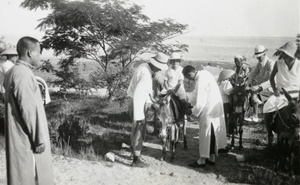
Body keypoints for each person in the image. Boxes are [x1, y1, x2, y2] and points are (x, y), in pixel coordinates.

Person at [4, 36, 54, 185]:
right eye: (39, 53)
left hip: (20, 136)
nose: (40, 57)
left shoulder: (13, 71)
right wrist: (38, 139)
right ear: (30, 53)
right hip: (26, 140)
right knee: (28, 176)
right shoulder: (23, 74)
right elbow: (28, 109)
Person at [127, 52, 168, 167]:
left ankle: (134, 153)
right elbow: (139, 95)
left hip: (136, 102)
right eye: (159, 68)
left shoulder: (144, 67)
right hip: (139, 104)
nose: (159, 70)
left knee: (136, 130)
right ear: (156, 65)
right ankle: (136, 159)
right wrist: (139, 116)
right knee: (139, 129)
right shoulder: (145, 75)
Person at [182, 65, 227, 168]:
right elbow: (196, 95)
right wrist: (188, 101)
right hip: (215, 107)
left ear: (190, 74)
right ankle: (212, 158)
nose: (189, 80)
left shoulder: (201, 79)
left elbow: (201, 102)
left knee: (206, 134)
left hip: (209, 108)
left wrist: (191, 111)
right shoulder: (205, 73)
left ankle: (202, 160)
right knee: (212, 133)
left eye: (188, 78)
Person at [263, 41, 300, 144]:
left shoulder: (299, 65)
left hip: (297, 95)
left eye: (286, 54)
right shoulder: (278, 64)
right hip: (282, 95)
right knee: (268, 106)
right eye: (283, 53)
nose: (283, 55)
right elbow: (271, 78)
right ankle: (270, 132)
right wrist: (274, 90)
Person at [245, 45, 275, 122]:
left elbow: (272, 81)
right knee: (248, 90)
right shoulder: (259, 63)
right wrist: (249, 83)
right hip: (262, 87)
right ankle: (253, 111)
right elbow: (252, 74)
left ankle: (255, 115)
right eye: (257, 56)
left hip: (271, 88)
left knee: (254, 91)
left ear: (264, 54)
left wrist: (259, 87)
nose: (257, 58)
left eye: (259, 56)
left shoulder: (271, 63)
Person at [218, 69, 235, 136]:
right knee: (226, 117)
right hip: (225, 102)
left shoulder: (221, 83)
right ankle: (225, 131)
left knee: (222, 117)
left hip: (221, 102)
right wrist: (234, 89)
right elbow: (227, 91)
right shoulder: (227, 83)